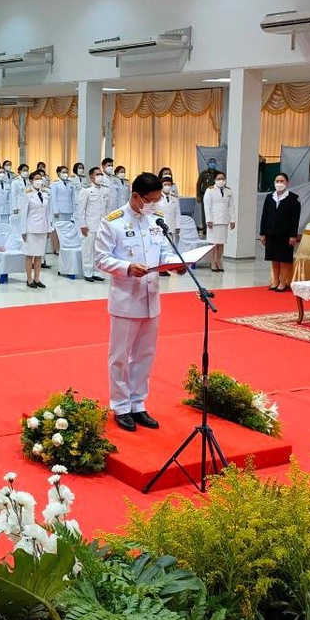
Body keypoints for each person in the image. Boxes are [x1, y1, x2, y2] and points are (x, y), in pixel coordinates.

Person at [94, 173, 183, 432]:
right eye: (151, 200)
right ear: (136, 196)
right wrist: (127, 267)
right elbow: (100, 258)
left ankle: (137, 403)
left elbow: (165, 250)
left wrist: (176, 263)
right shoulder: (113, 223)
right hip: (126, 299)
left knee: (145, 355)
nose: (154, 205)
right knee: (120, 356)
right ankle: (120, 405)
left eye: (157, 201)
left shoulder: (157, 221)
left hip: (151, 298)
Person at [259, 172, 301, 291]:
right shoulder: (269, 197)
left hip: (286, 234)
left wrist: (293, 235)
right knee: (274, 258)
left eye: (282, 181)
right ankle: (275, 280)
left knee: (284, 259)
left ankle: (283, 282)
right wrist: (262, 233)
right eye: (277, 181)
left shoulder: (293, 198)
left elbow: (295, 219)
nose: (279, 183)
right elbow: (264, 216)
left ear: (287, 183)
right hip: (271, 232)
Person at [77, 166, 111, 282]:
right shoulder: (86, 190)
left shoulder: (106, 190)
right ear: (91, 177)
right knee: (88, 250)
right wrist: (83, 225)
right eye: (97, 174)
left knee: (99, 250)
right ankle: (88, 272)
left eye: (101, 174)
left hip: (102, 225)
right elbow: (80, 210)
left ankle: (97, 271)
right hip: (89, 225)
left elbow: (107, 209)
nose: (100, 176)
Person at [202, 170, 237, 273]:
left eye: (223, 179)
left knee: (221, 243)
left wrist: (233, 220)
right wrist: (208, 219)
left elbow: (231, 206)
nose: (221, 181)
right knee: (214, 243)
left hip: (224, 220)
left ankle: (218, 261)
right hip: (213, 221)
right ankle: (212, 262)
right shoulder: (210, 190)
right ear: (215, 180)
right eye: (219, 179)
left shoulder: (228, 191)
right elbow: (207, 206)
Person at [21, 170, 51, 289]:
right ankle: (29, 279)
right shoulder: (27, 194)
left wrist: (49, 228)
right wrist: (23, 231)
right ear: (31, 181)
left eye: (41, 178)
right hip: (31, 228)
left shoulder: (45, 193)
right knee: (29, 255)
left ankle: (37, 278)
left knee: (39, 255)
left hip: (43, 228)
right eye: (37, 179)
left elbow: (47, 212)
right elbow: (23, 214)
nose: (39, 181)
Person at [195, 158, 220, 234]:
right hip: (205, 195)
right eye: (211, 163)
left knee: (215, 212)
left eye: (214, 163)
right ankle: (205, 229)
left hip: (216, 196)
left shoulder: (218, 174)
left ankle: (214, 228)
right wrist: (198, 195)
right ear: (208, 164)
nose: (212, 164)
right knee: (205, 212)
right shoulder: (203, 173)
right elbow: (199, 184)